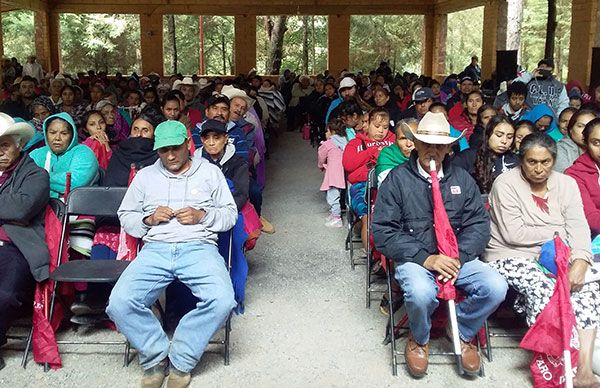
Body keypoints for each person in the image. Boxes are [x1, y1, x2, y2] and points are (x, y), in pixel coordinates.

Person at [371, 111, 507, 378]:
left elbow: (479, 225)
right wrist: (427, 258)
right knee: (421, 292)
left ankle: (462, 331)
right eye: (426, 143)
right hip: (416, 259)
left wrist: (458, 257)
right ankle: (419, 338)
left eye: (439, 145)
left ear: (448, 148)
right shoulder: (397, 180)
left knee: (496, 286)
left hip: (457, 258)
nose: (432, 150)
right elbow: (384, 231)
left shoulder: (462, 180)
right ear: (416, 144)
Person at [106, 120, 237, 388]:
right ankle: (155, 356)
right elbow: (126, 216)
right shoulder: (145, 177)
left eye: (175, 149)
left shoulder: (210, 173)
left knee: (222, 300)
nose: (170, 156)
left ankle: (181, 358)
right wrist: (149, 219)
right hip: (156, 248)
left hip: (199, 246)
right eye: (163, 150)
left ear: (188, 145)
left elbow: (230, 215)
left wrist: (203, 215)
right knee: (119, 303)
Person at [485, 131, 600, 387]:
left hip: (559, 254)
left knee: (587, 287)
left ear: (554, 160)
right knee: (546, 289)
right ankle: (554, 364)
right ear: (521, 160)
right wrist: (560, 231)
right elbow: (514, 233)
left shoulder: (566, 184)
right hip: (511, 254)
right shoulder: (505, 184)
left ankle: (582, 368)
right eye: (532, 162)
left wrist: (581, 260)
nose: (539, 169)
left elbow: (579, 227)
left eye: (545, 162)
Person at [0, 114, 49, 371]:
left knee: (5, 295)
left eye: (4, 145)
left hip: (15, 246)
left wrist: (12, 209)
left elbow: (21, 210)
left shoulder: (35, 174)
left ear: (19, 144)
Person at [342, 107, 395, 250]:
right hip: (361, 187)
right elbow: (349, 166)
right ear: (367, 125)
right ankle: (372, 258)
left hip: (390, 186)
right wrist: (372, 151)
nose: (381, 131)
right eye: (377, 126)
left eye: (385, 127)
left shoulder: (394, 141)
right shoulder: (355, 143)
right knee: (369, 217)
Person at [29, 112, 99, 198]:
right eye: (52, 132)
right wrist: (57, 194)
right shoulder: (36, 154)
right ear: (46, 134)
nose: (57, 138)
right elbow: (22, 180)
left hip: (79, 207)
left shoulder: (84, 152)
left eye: (64, 133)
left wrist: (39, 180)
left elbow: (75, 183)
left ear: (72, 135)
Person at [452, 115, 519, 194]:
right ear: (488, 134)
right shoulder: (467, 157)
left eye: (509, 137)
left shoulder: (516, 160)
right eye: (499, 135)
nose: (504, 141)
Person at [101, 106, 164, 187]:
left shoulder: (158, 157)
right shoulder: (118, 155)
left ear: (154, 135)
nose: (139, 134)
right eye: (135, 129)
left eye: (145, 130)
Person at [565, 118, 600, 257]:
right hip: (591, 240)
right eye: (596, 143)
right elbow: (590, 218)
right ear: (585, 143)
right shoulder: (574, 174)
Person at [199, 119, 249, 212]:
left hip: (230, 209)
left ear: (226, 138)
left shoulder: (238, 163)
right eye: (206, 138)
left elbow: (241, 195)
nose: (211, 143)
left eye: (216, 138)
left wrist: (222, 214)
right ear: (202, 140)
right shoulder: (195, 162)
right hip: (202, 211)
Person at [318, 118, 348, 228]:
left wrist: (321, 166)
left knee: (332, 196)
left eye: (326, 131)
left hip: (333, 173)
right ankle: (334, 214)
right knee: (340, 195)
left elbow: (321, 157)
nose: (325, 133)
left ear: (332, 131)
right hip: (344, 172)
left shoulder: (328, 144)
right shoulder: (345, 141)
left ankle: (336, 218)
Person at [374, 118, 416, 185]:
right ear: (396, 141)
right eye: (403, 139)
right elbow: (390, 185)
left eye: (413, 138)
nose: (409, 144)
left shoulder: (426, 155)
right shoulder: (387, 155)